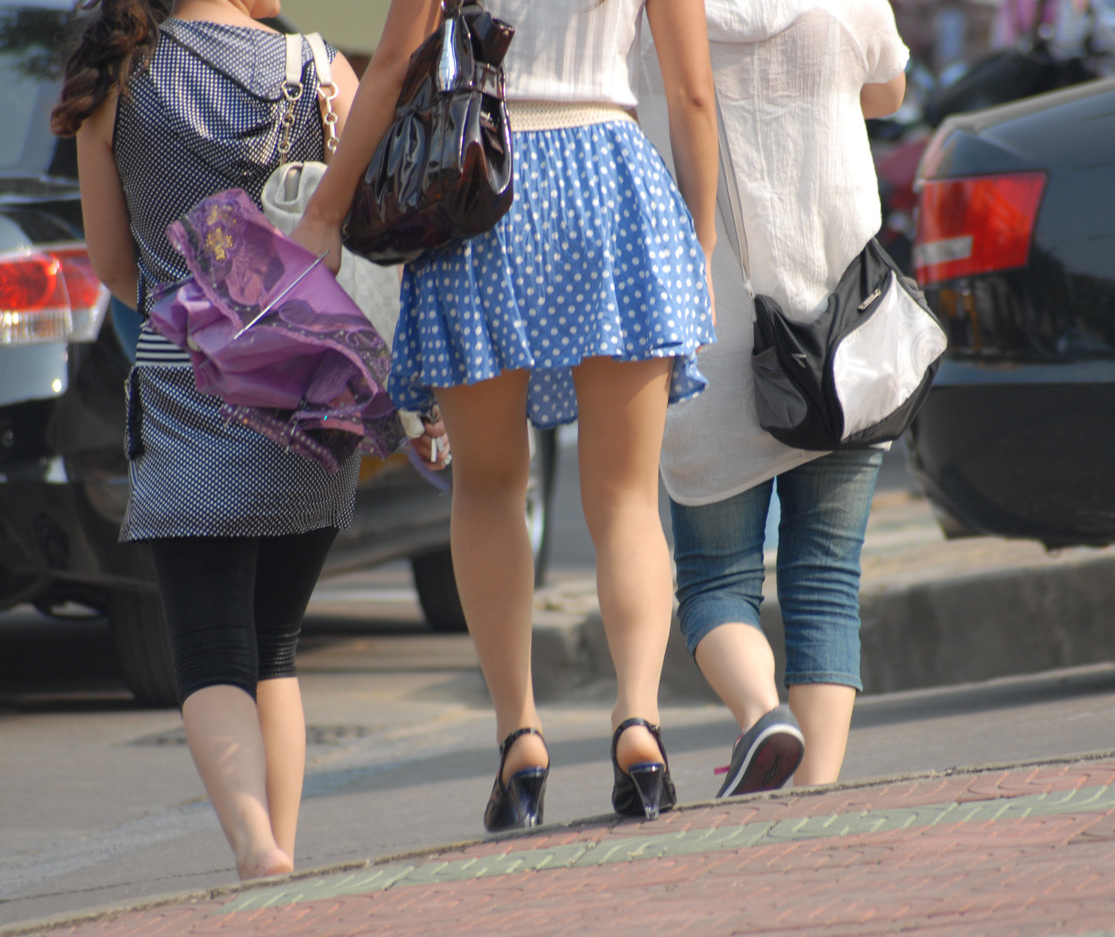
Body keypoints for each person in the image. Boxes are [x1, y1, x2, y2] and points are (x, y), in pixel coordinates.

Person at [291, 0, 717, 830]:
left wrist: (325, 213)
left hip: (480, 182)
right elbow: (693, 97)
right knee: (626, 497)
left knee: (487, 486)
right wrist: (695, 248)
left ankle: (519, 736)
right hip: (612, 182)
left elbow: (390, 68)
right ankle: (640, 723)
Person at [50, 0, 443, 879]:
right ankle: (282, 853)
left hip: (186, 377)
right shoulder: (317, 68)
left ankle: (254, 846)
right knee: (275, 647)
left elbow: (114, 267)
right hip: (309, 385)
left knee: (209, 649)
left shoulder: (115, 79)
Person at [655, 0, 909, 796]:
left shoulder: (653, 13)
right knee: (828, 572)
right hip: (845, 333)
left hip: (709, 332)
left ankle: (765, 712)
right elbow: (889, 92)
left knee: (714, 580)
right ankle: (816, 797)